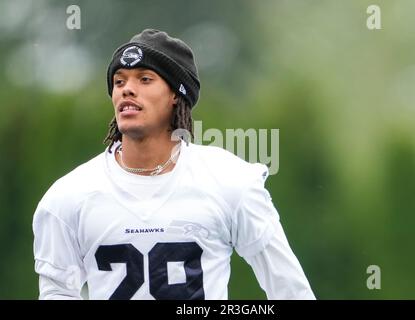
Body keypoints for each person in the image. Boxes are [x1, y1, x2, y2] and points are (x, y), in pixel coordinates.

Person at [32, 29, 315, 300]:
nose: (127, 90)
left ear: (176, 95)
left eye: (144, 79)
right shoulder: (67, 197)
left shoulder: (229, 181)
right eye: (119, 81)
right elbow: (57, 292)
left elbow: (288, 287)